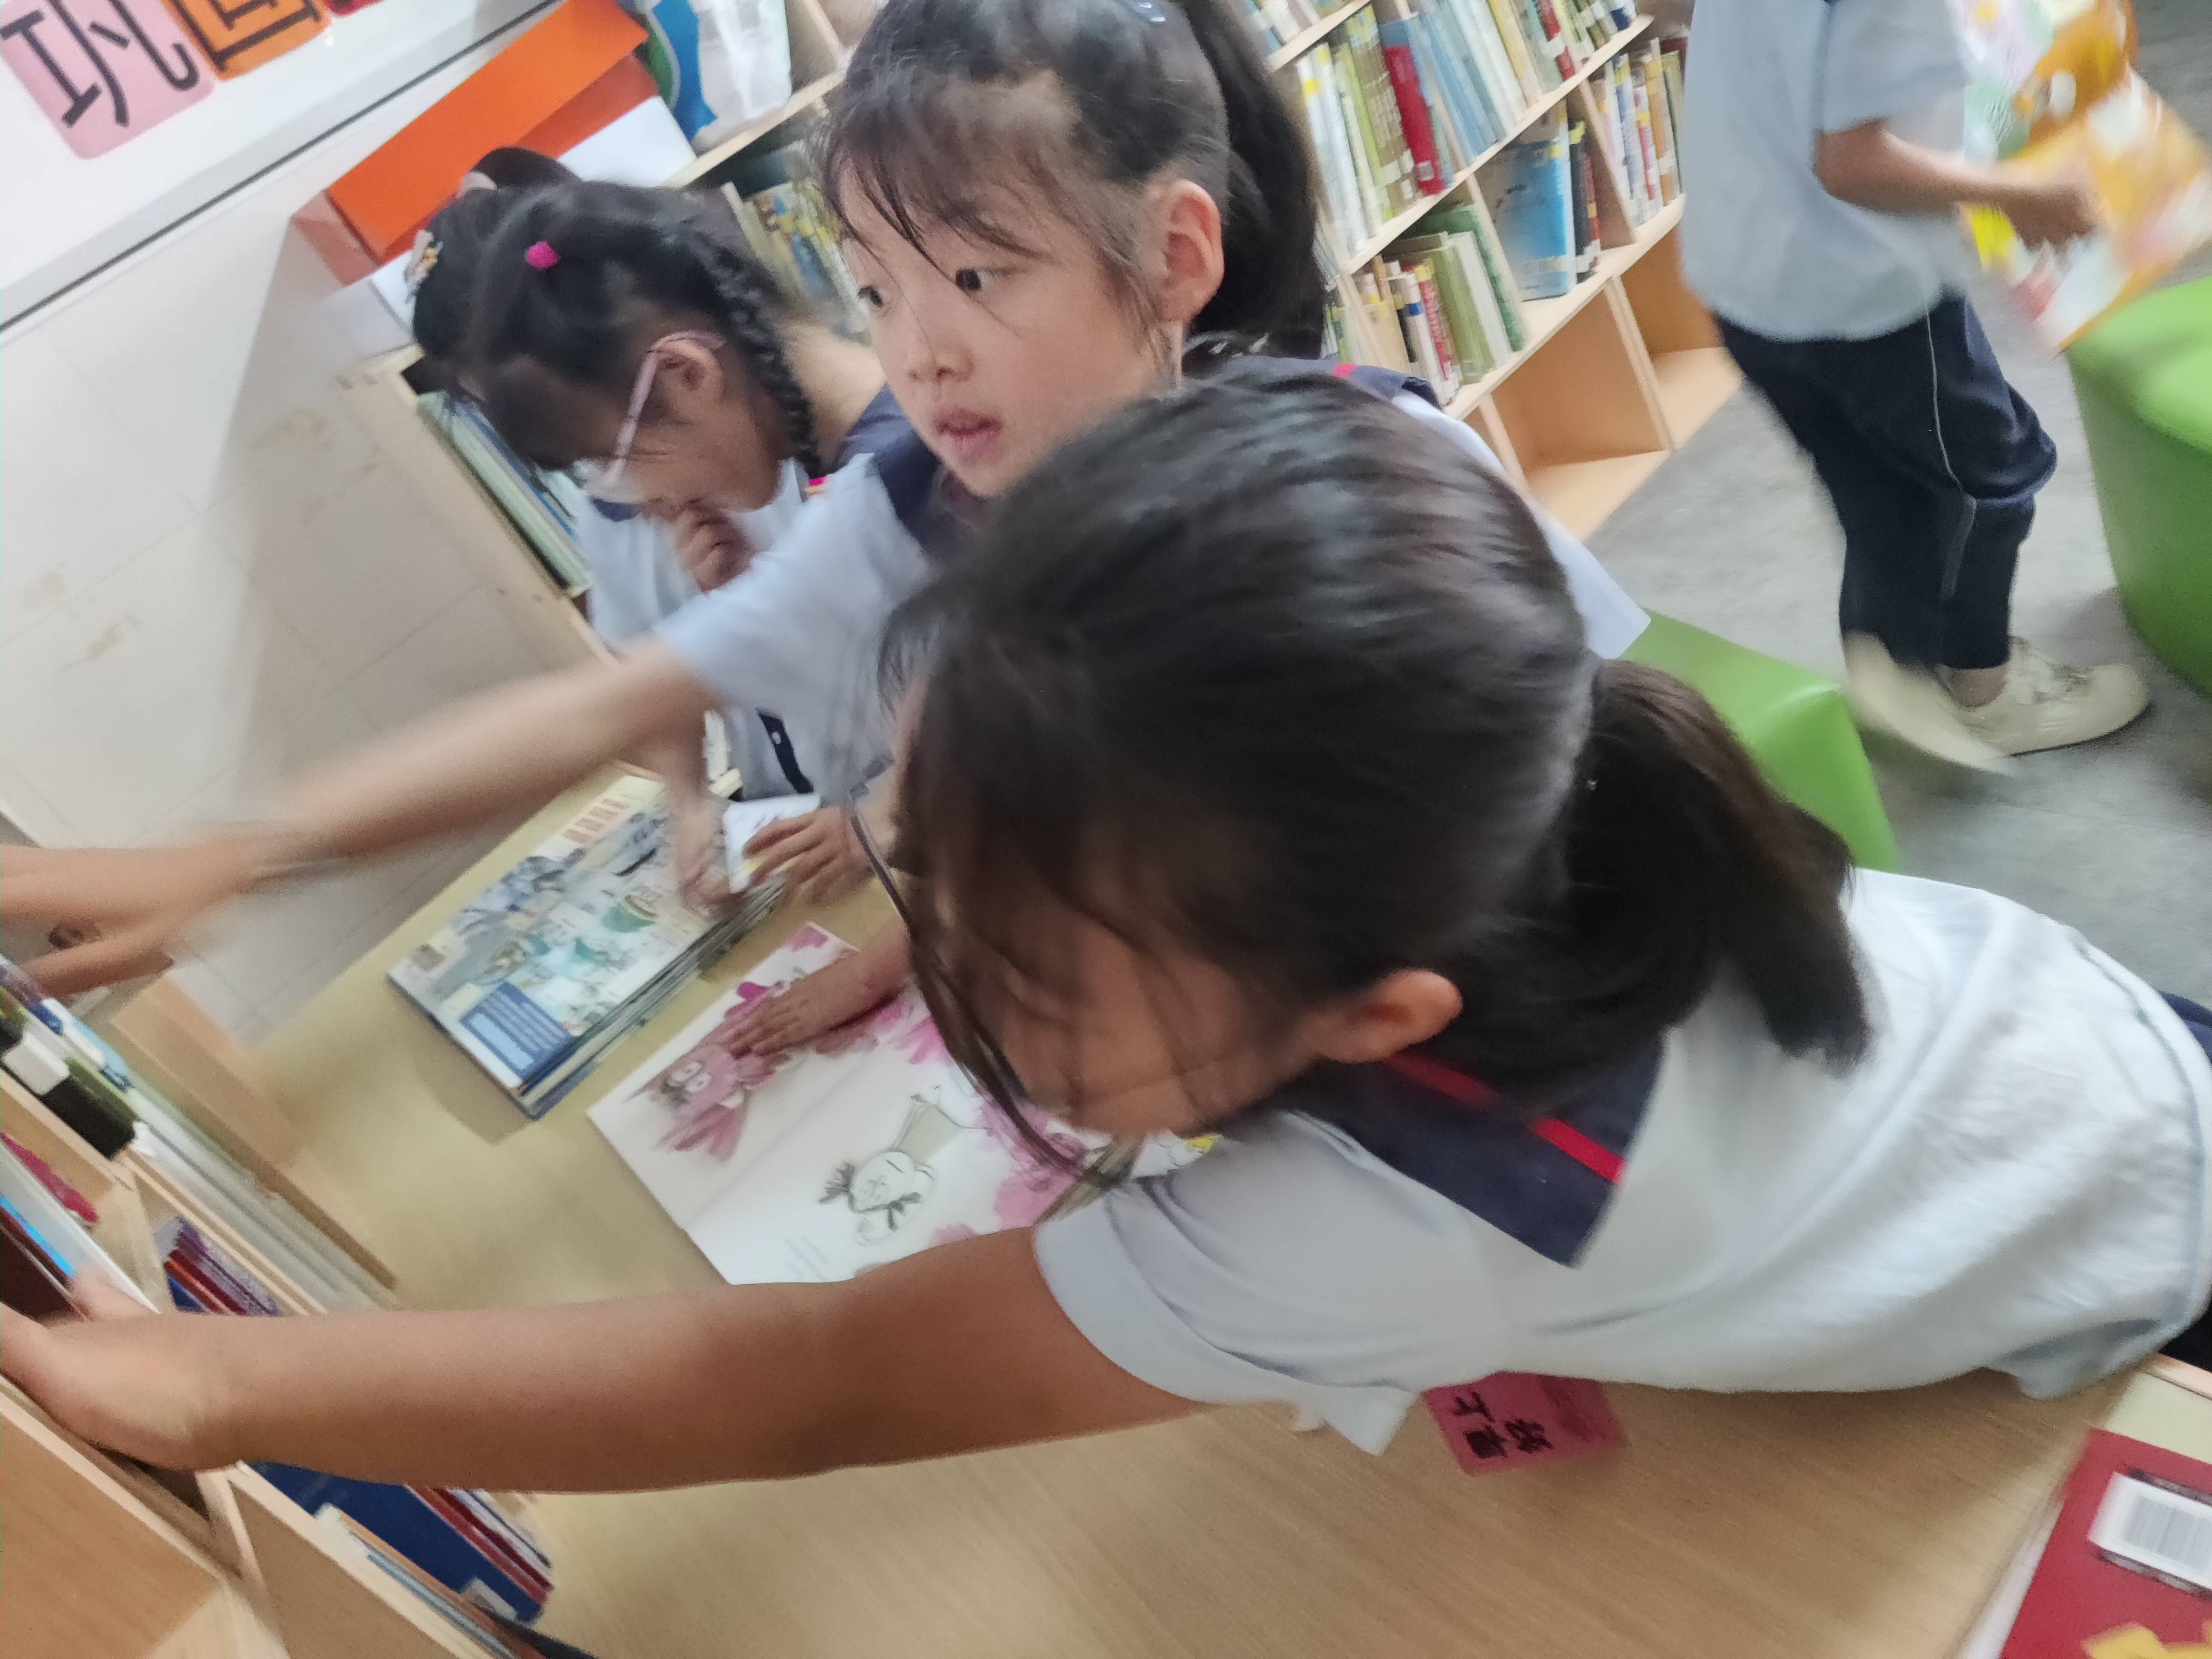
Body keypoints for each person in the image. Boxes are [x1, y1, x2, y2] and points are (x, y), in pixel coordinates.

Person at [7, 375, 2205, 1491]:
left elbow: (812, 1380)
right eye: (937, 856)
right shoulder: (1488, 803)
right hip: (2051, 1022)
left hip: (2128, 1248)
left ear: (1372, 1014)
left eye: (1029, 966)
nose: (953, 965)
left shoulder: (1415, 1220)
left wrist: (216, 1382)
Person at [16, 0, 1643, 1039]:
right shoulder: (915, 505)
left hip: (1509, 999)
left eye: (976, 275)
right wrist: (245, 853)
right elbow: (613, 706)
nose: (919, 350)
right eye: (875, 285)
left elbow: (1600, 749)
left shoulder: (1374, 465)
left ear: (1171, 258)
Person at [1677, 0, 2149, 768]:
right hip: (1863, 294)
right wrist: (2020, 195)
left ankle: (1889, 651)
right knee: (1993, 477)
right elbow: (1854, 165)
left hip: (1741, 274)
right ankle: (1982, 690)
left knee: (1868, 478)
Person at [410, 155, 898, 811]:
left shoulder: (894, 478)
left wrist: (881, 815)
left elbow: (598, 714)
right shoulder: (848, 462)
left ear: (686, 375)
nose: (646, 502)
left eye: (615, 463)